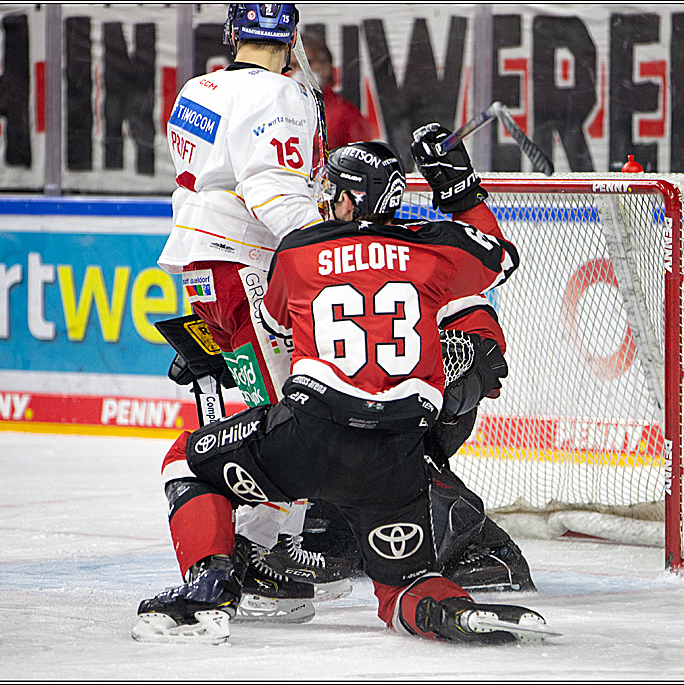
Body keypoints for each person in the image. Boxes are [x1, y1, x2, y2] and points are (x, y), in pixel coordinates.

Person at [131, 133, 554, 645]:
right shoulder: (432, 250)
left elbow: (275, 326)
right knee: (404, 588)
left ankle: (209, 587)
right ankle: (445, 609)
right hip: (395, 459)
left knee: (187, 459)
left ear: (351, 197)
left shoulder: (299, 250)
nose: (324, 197)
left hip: (312, 438)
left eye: (331, 188)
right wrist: (459, 190)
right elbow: (500, 255)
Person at [157, 3, 349, 621]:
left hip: (203, 262)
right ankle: (252, 561)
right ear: (288, 38)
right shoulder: (284, 93)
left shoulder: (198, 87)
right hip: (249, 261)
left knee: (262, 401)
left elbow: (201, 173)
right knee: (288, 412)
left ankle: (252, 548)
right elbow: (273, 189)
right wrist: (334, 249)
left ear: (234, 35)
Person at [290, 28, 376, 149]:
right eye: (293, 65)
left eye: (306, 64)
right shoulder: (280, 108)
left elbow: (362, 161)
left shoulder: (346, 115)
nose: (299, 71)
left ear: (326, 66)